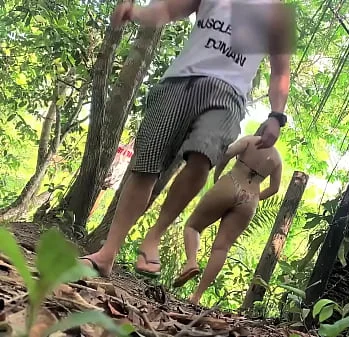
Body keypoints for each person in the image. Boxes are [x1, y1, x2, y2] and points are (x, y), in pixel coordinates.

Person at [79, 0, 291, 278]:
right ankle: (107, 254)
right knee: (146, 166)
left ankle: (154, 236)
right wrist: (135, 13)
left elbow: (280, 71)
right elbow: (166, 10)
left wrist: (277, 115)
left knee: (203, 157)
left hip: (228, 95)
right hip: (178, 82)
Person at [169, 123, 282, 304]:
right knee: (222, 247)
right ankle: (196, 296)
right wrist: (255, 196)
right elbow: (275, 188)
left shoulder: (249, 141)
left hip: (230, 184)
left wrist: (217, 177)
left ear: (261, 129)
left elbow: (226, 154)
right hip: (250, 199)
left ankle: (191, 262)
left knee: (193, 226)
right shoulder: (277, 159)